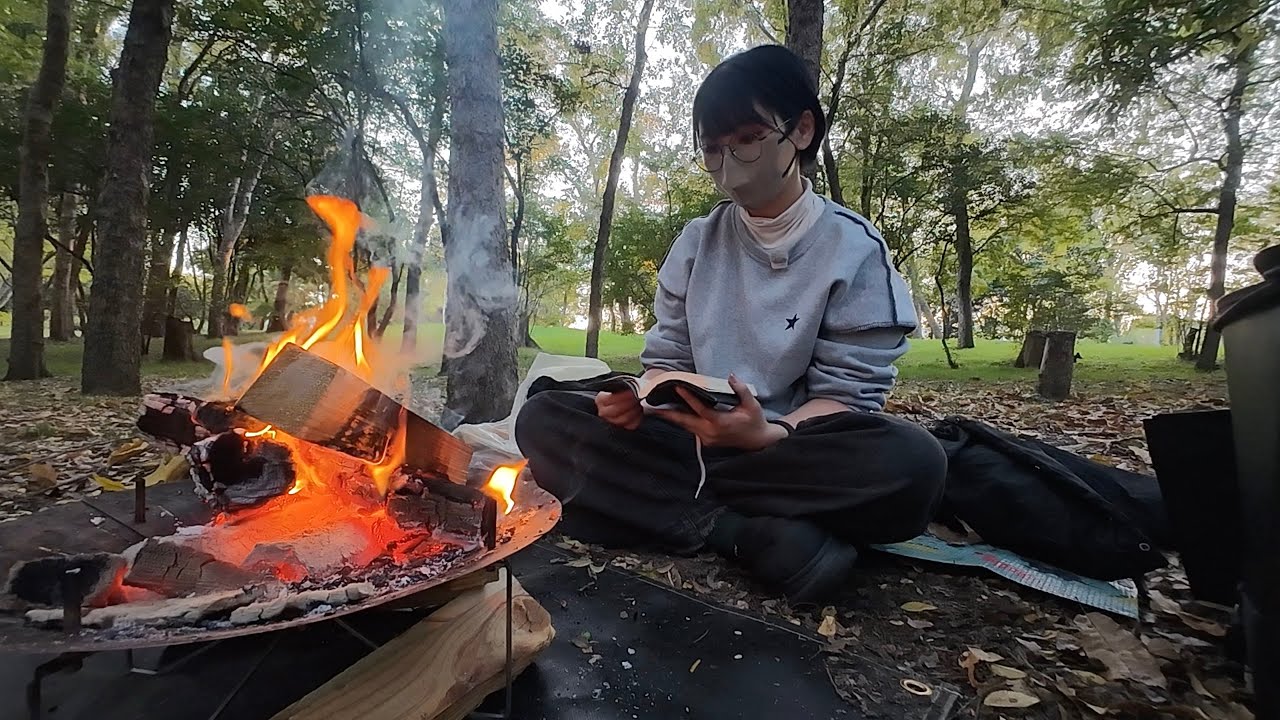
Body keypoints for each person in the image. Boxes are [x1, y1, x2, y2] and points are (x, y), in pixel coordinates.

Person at [515, 45, 946, 602]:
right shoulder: (697, 242)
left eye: (747, 139)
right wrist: (638, 402)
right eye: (714, 149)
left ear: (802, 131)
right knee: (545, 415)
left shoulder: (853, 250)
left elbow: (851, 394)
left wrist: (769, 432)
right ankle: (741, 532)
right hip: (688, 436)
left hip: (789, 448)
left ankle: (655, 508)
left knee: (915, 464)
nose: (729, 164)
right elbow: (667, 360)